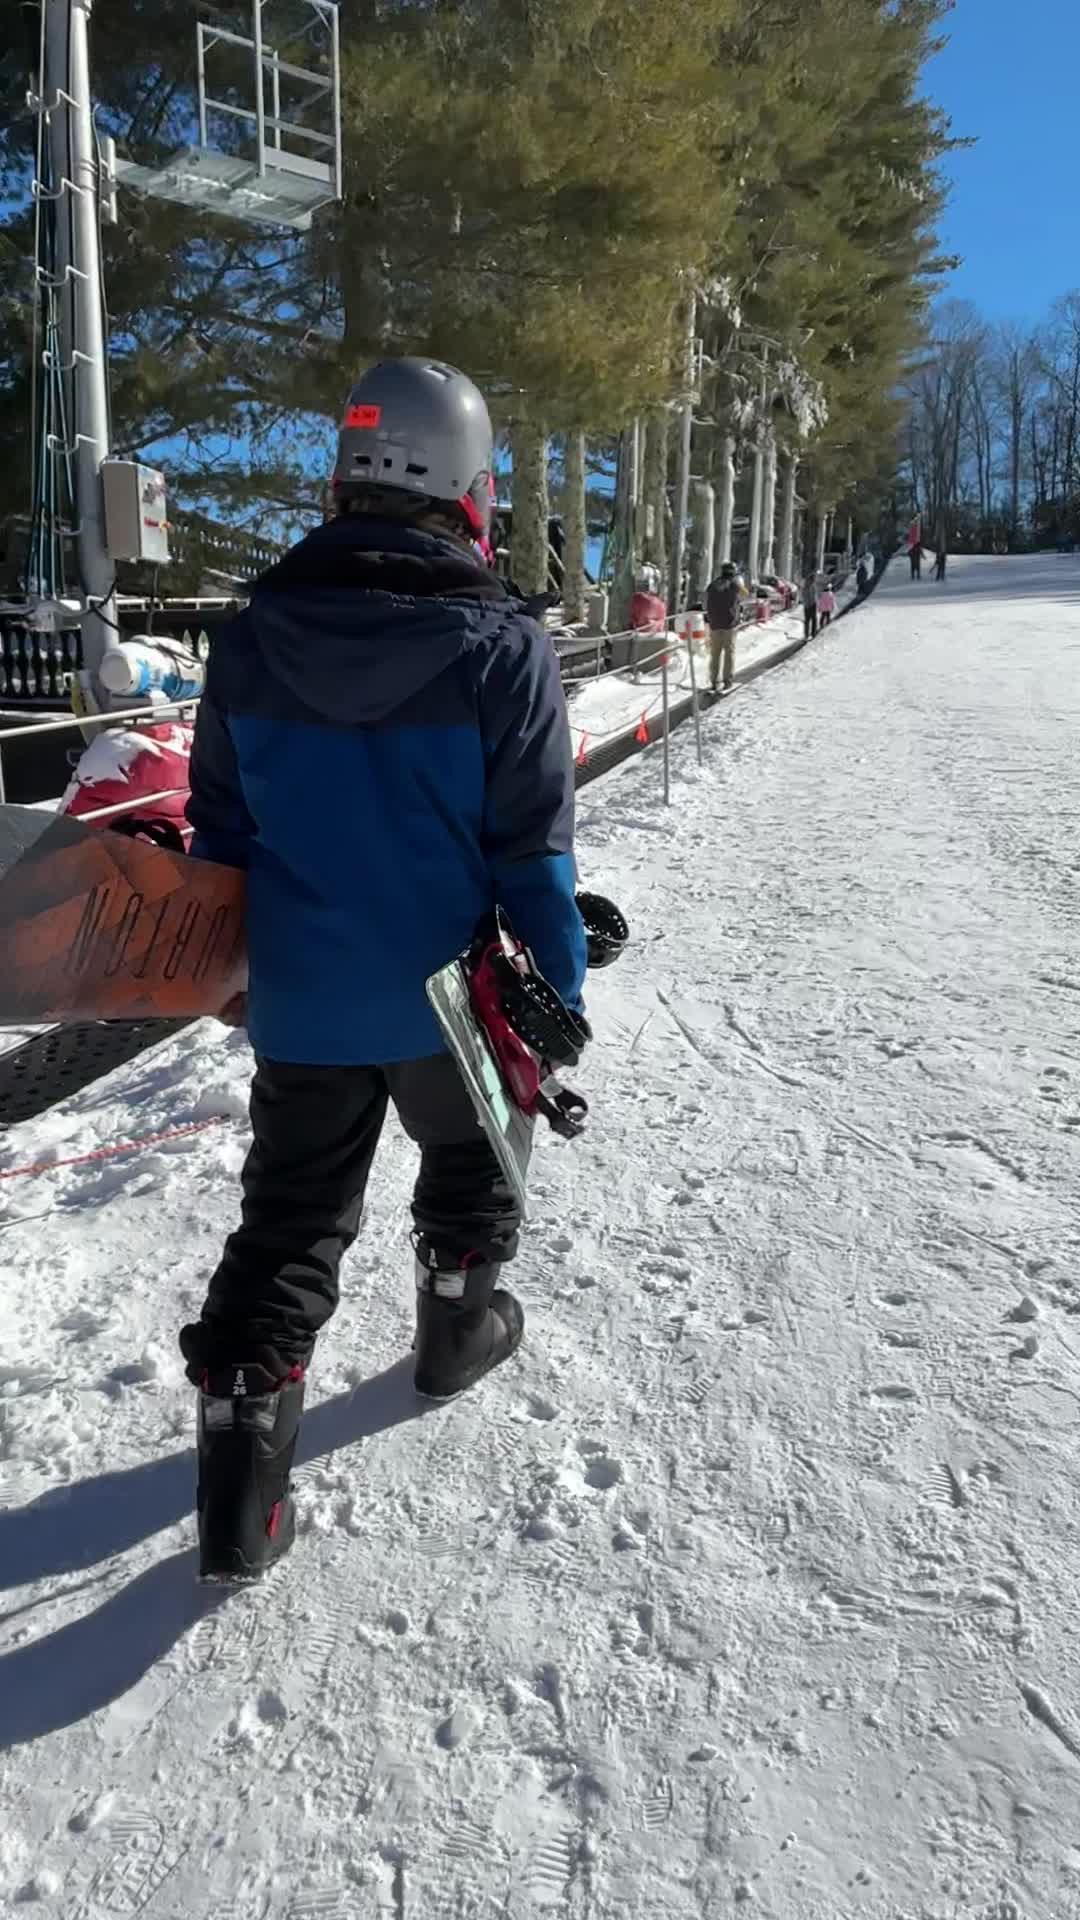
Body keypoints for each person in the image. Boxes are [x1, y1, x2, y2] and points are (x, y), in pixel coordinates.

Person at [181, 356, 588, 1581]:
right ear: (469, 489)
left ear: (343, 481)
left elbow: (221, 838)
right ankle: (455, 1335)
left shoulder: (249, 639)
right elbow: (534, 858)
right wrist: (559, 997)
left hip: (300, 997)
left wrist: (229, 978)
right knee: (472, 1164)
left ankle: (239, 1496)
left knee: (292, 1217)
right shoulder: (502, 649)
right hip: (446, 1002)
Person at [704, 560, 744, 691]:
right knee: (729, 653)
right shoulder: (734, 585)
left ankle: (714, 681)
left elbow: (705, 603)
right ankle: (727, 680)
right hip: (729, 624)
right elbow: (744, 595)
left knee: (715, 654)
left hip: (714, 624)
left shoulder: (712, 585)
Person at [802, 568, 819, 640]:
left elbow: (803, 595)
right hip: (812, 604)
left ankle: (806, 635)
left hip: (806, 605)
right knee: (814, 619)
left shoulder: (805, 585)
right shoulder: (812, 585)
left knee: (807, 620)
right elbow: (812, 596)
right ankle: (813, 633)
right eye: (814, 578)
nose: (815, 579)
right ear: (813, 579)